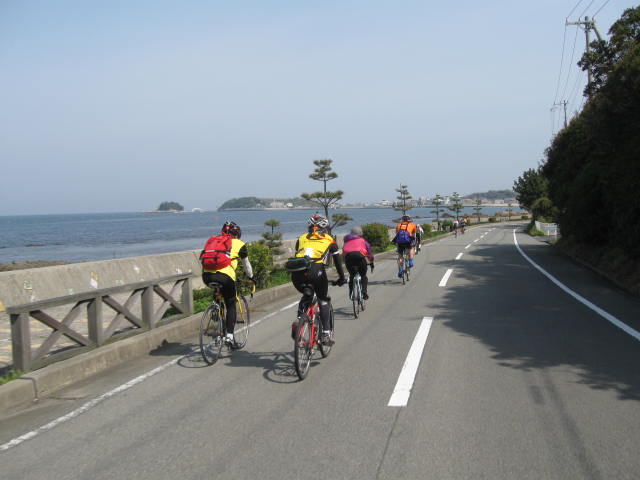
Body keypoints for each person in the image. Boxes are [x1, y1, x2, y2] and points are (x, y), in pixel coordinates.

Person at [291, 214, 346, 345]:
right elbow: (338, 262)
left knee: (307, 293)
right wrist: (342, 278)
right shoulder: (329, 239)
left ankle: (300, 322)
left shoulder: (301, 238)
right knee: (323, 299)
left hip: (296, 273)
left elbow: (299, 253)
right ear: (325, 227)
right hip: (316, 271)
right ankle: (326, 334)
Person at [201, 221, 254, 349]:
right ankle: (229, 335)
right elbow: (247, 265)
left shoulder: (214, 241)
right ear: (238, 234)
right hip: (226, 276)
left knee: (218, 291)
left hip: (207, 276)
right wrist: (251, 277)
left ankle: (216, 308)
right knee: (231, 304)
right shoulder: (239, 244)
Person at [342, 226, 374, 300]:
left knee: (352, 276)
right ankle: (364, 292)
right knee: (363, 276)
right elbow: (369, 252)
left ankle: (351, 293)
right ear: (360, 233)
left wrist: (346, 262)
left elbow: (344, 253)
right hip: (360, 258)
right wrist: (371, 260)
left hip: (349, 259)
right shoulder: (362, 240)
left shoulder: (346, 241)